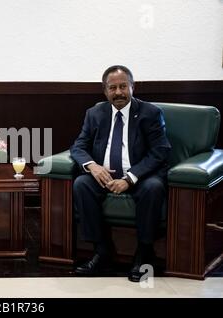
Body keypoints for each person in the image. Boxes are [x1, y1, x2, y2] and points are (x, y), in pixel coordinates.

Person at [70, 65, 171, 282]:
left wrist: (129, 178)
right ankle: (101, 252)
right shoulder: (95, 113)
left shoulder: (150, 113)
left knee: (153, 188)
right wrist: (92, 166)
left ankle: (144, 253)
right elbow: (78, 146)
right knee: (82, 184)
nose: (118, 92)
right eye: (113, 87)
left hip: (140, 175)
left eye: (123, 86)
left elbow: (160, 152)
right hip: (104, 175)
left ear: (132, 87)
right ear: (105, 91)